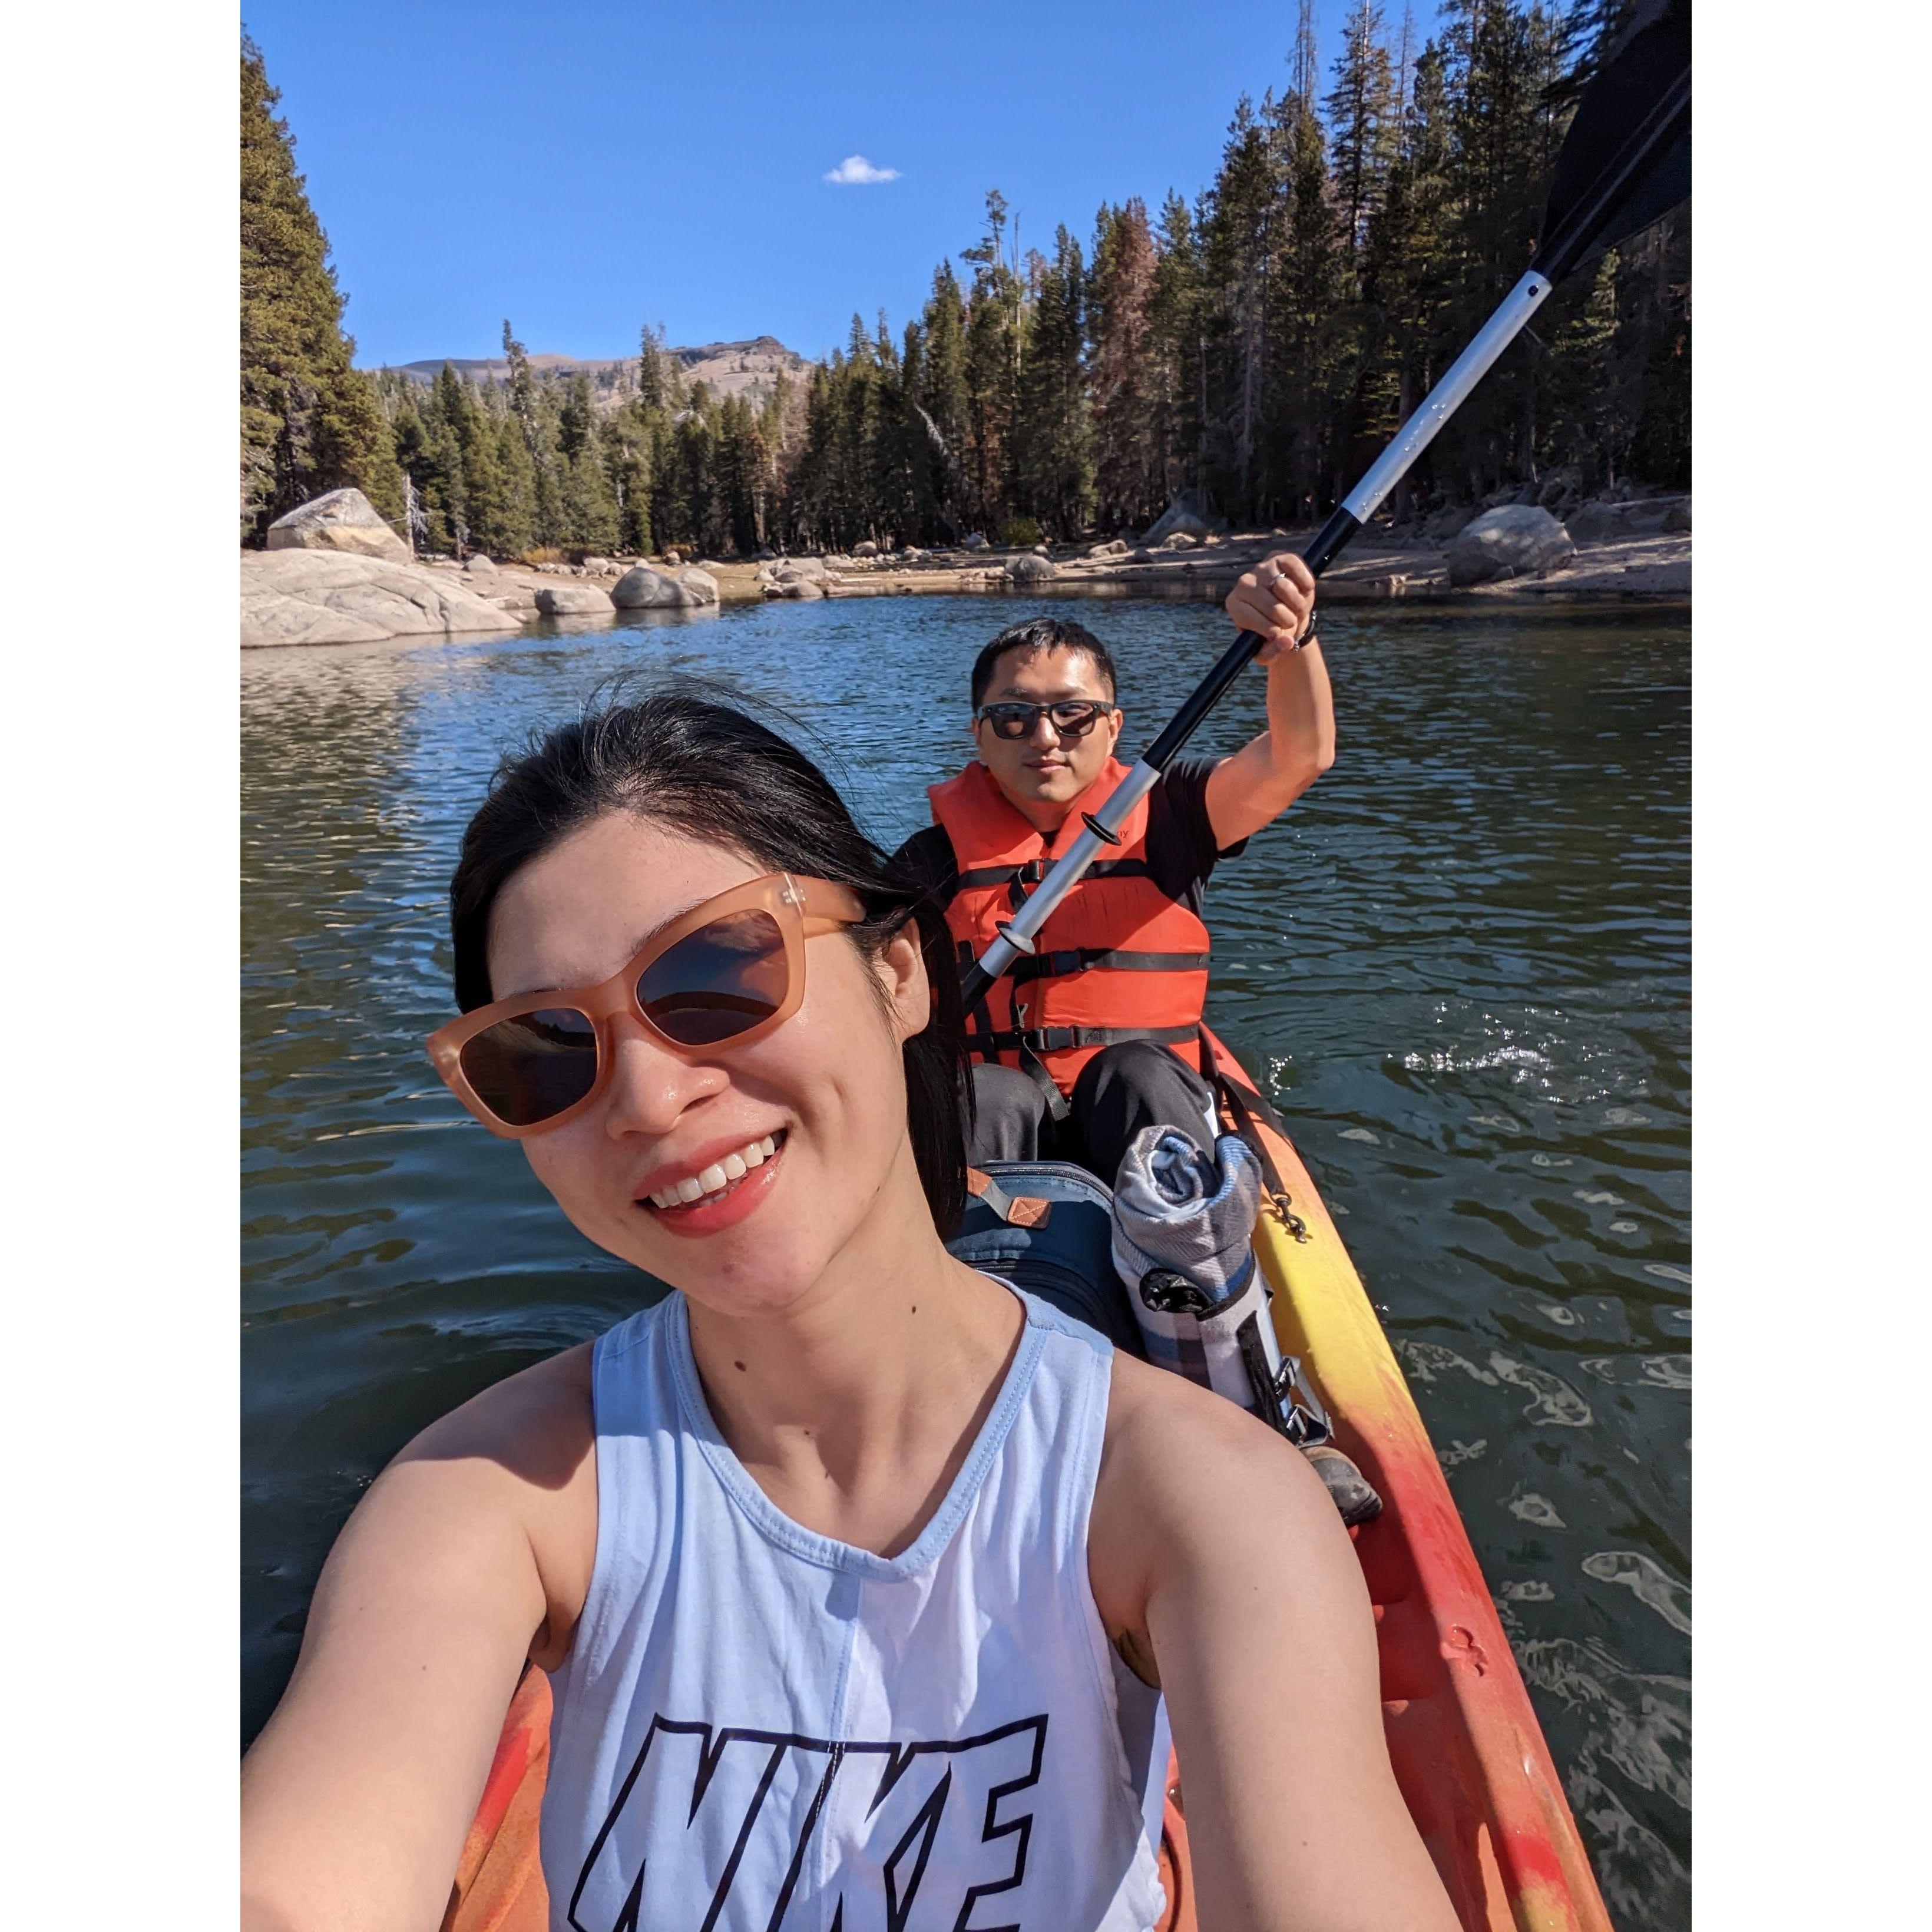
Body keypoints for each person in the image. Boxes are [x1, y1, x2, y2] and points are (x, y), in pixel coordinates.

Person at [240, 690, 1455, 1932]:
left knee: (1139, 1080)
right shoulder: (483, 1498)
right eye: (547, 1049)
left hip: (1113, 1086)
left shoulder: (1203, 1502)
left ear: (898, 968)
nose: (648, 1098)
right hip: (982, 1113)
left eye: (718, 970)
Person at [895, 553, 1331, 1180]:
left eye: (1073, 713)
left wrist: (1291, 641)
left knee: (1137, 1072)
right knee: (985, 1092)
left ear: (1113, 726)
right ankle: (979, 1238)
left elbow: (1299, 756)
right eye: (1013, 716)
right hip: (999, 1137)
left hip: (1140, 1116)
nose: (1045, 737)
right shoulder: (927, 863)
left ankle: (1185, 1231)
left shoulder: (1176, 814)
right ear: (979, 736)